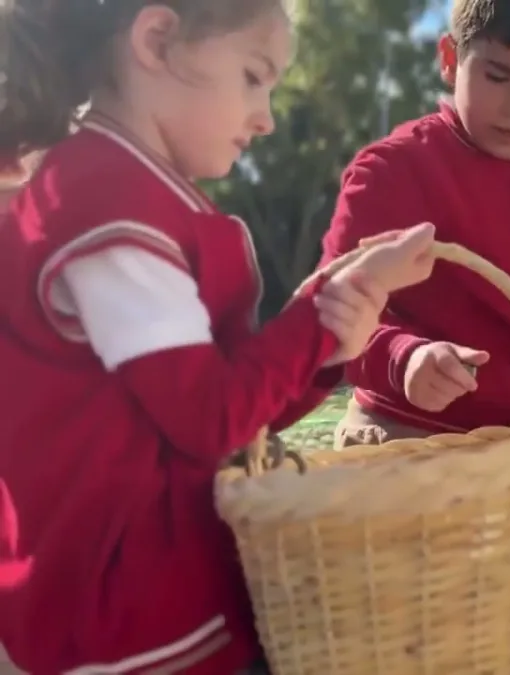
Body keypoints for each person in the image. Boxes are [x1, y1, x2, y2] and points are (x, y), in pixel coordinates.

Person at [0, 1, 437, 673]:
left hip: (163, 606)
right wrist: (317, 318)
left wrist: (325, 338)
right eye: (254, 76)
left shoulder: (128, 190)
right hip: (137, 624)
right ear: (157, 39)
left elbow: (227, 415)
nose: (265, 116)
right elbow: (211, 418)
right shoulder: (107, 201)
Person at [323, 0, 510, 447]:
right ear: (450, 59)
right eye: (498, 77)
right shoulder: (393, 171)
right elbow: (328, 313)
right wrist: (405, 359)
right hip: (405, 443)